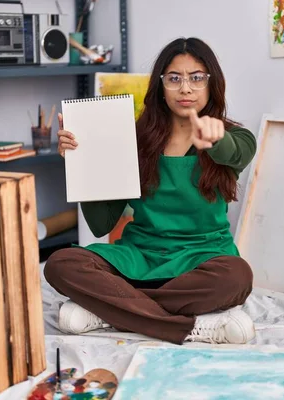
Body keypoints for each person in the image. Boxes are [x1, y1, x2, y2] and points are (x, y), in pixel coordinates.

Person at [44, 37, 258, 345]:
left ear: (212, 84)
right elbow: (101, 224)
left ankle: (109, 312)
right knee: (61, 264)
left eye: (196, 78)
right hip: (140, 256)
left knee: (237, 277)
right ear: (160, 86)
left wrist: (217, 138)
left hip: (202, 258)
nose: (186, 88)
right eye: (174, 78)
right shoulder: (134, 139)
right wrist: (81, 165)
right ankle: (186, 326)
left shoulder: (234, 137)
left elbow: (234, 153)